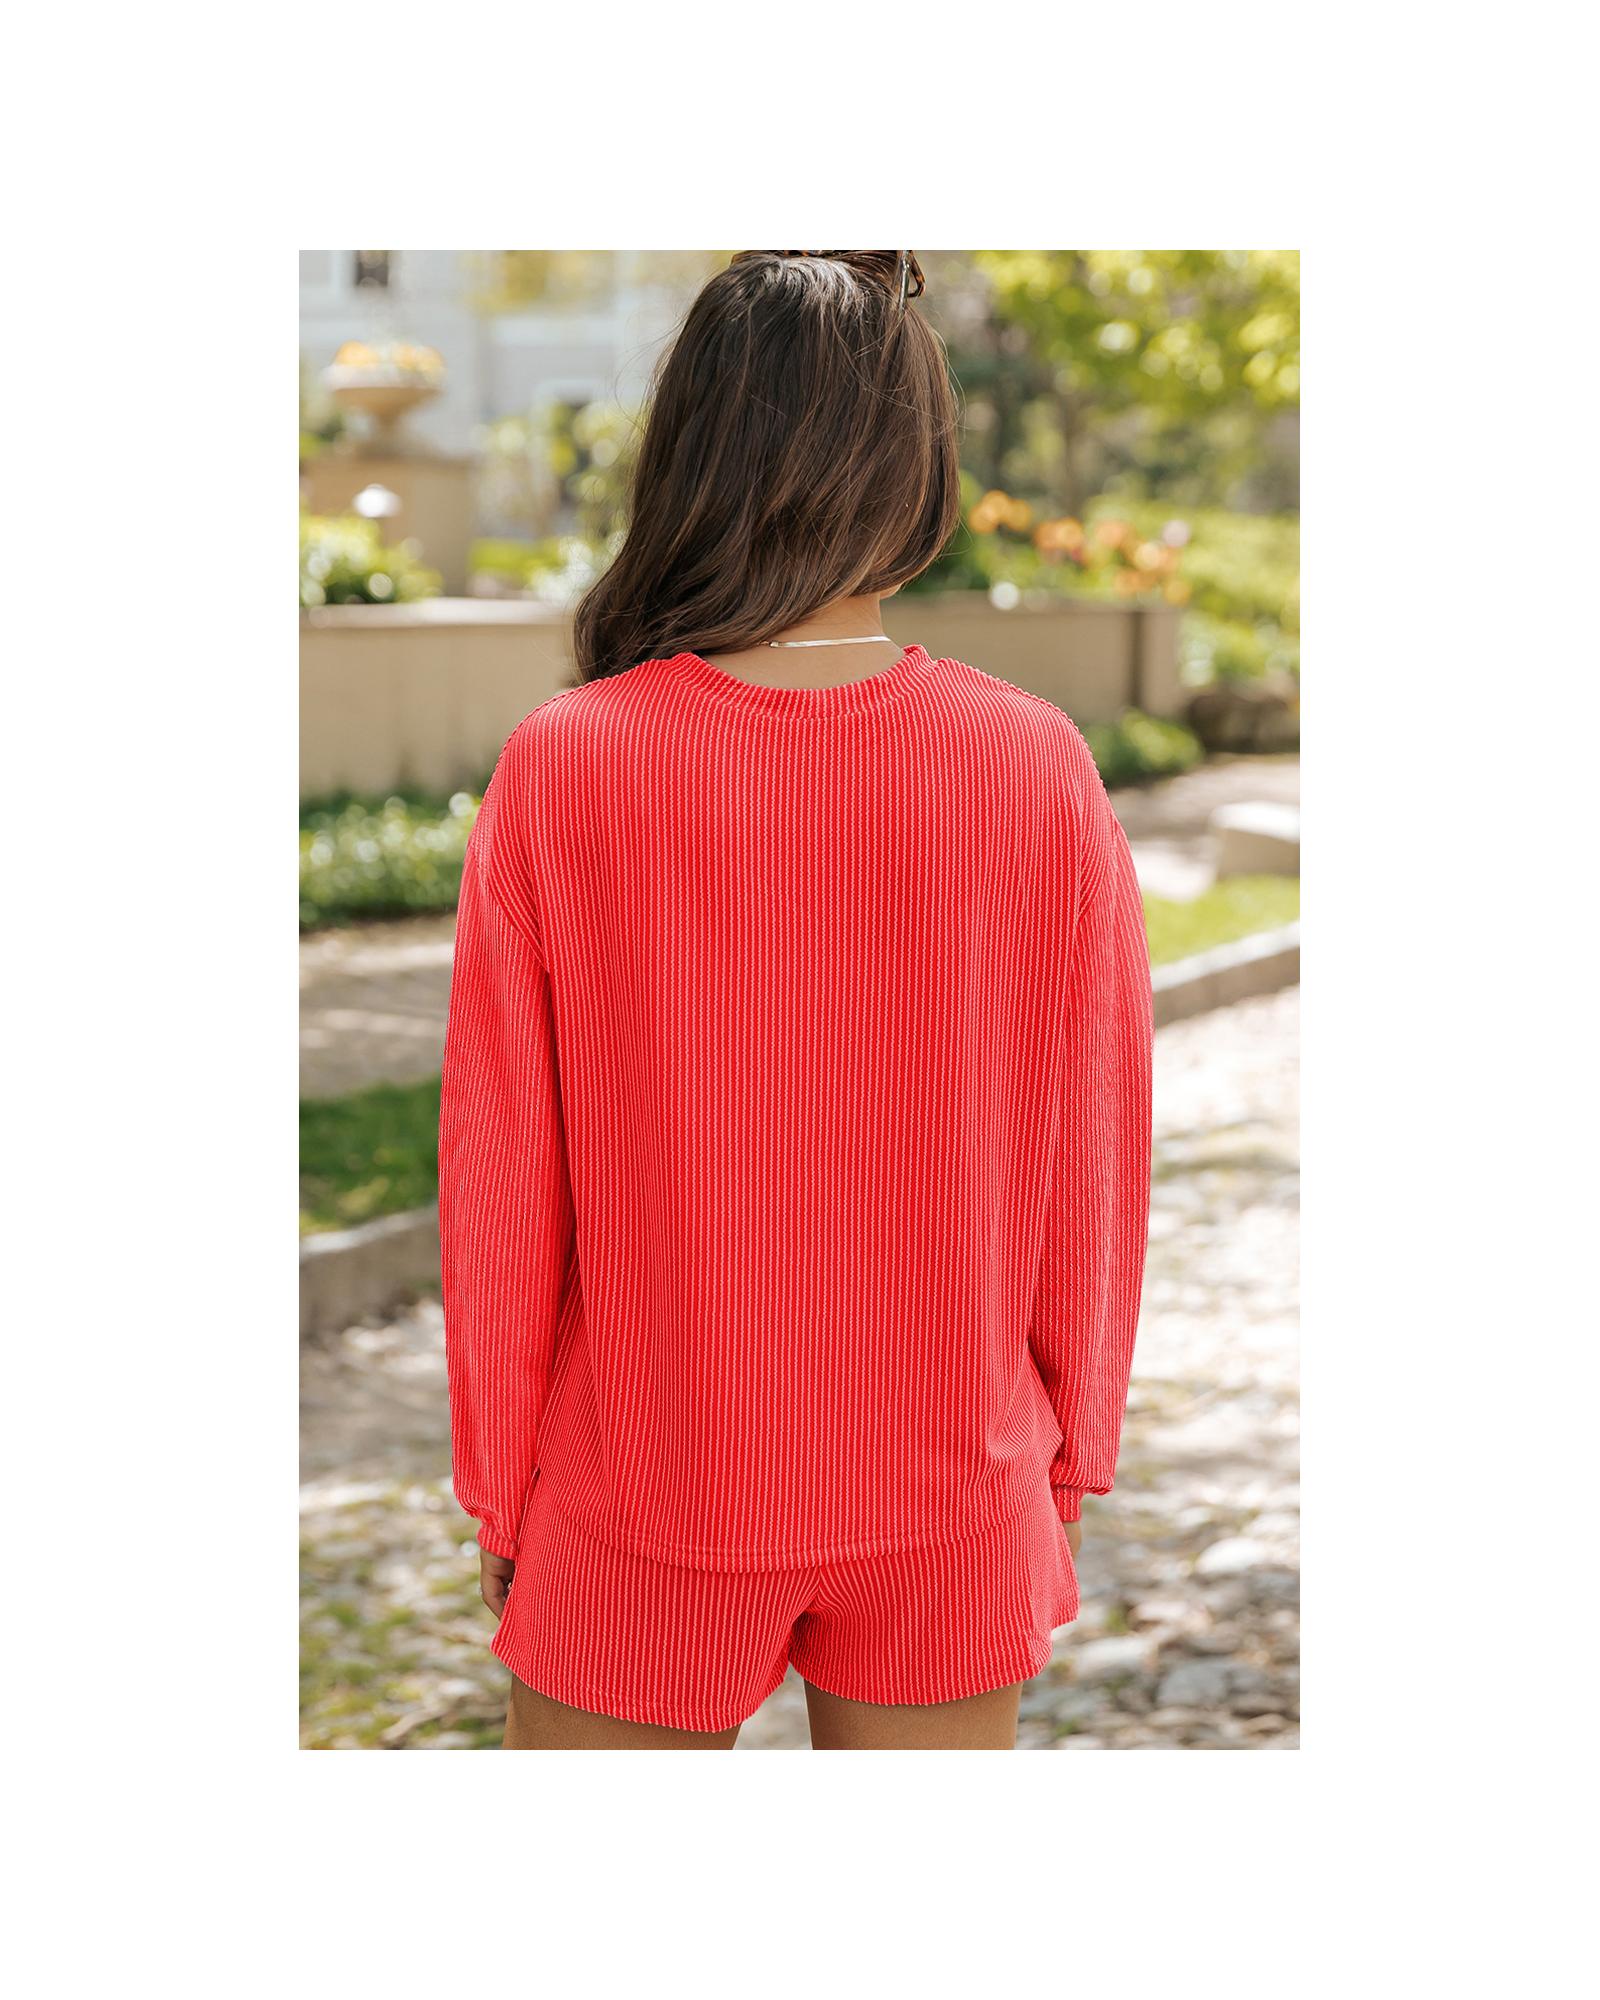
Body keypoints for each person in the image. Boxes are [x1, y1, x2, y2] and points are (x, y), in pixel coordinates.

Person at [438, 250, 1154, 1751]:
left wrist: (502, 1481)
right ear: (917, 462)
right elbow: (1088, 1152)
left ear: (691, 455)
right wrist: (1069, 1450)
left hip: (641, 1478)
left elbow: (501, 1170)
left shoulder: (571, 762)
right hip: (951, 1482)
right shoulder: (1028, 763)